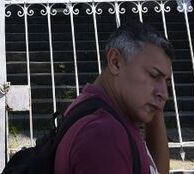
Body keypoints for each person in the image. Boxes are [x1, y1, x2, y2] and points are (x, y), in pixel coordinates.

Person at [54, 21, 173, 173]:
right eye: (154, 75)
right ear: (115, 62)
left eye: (166, 82)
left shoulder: (108, 113)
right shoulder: (103, 135)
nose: (165, 94)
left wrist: (155, 106)